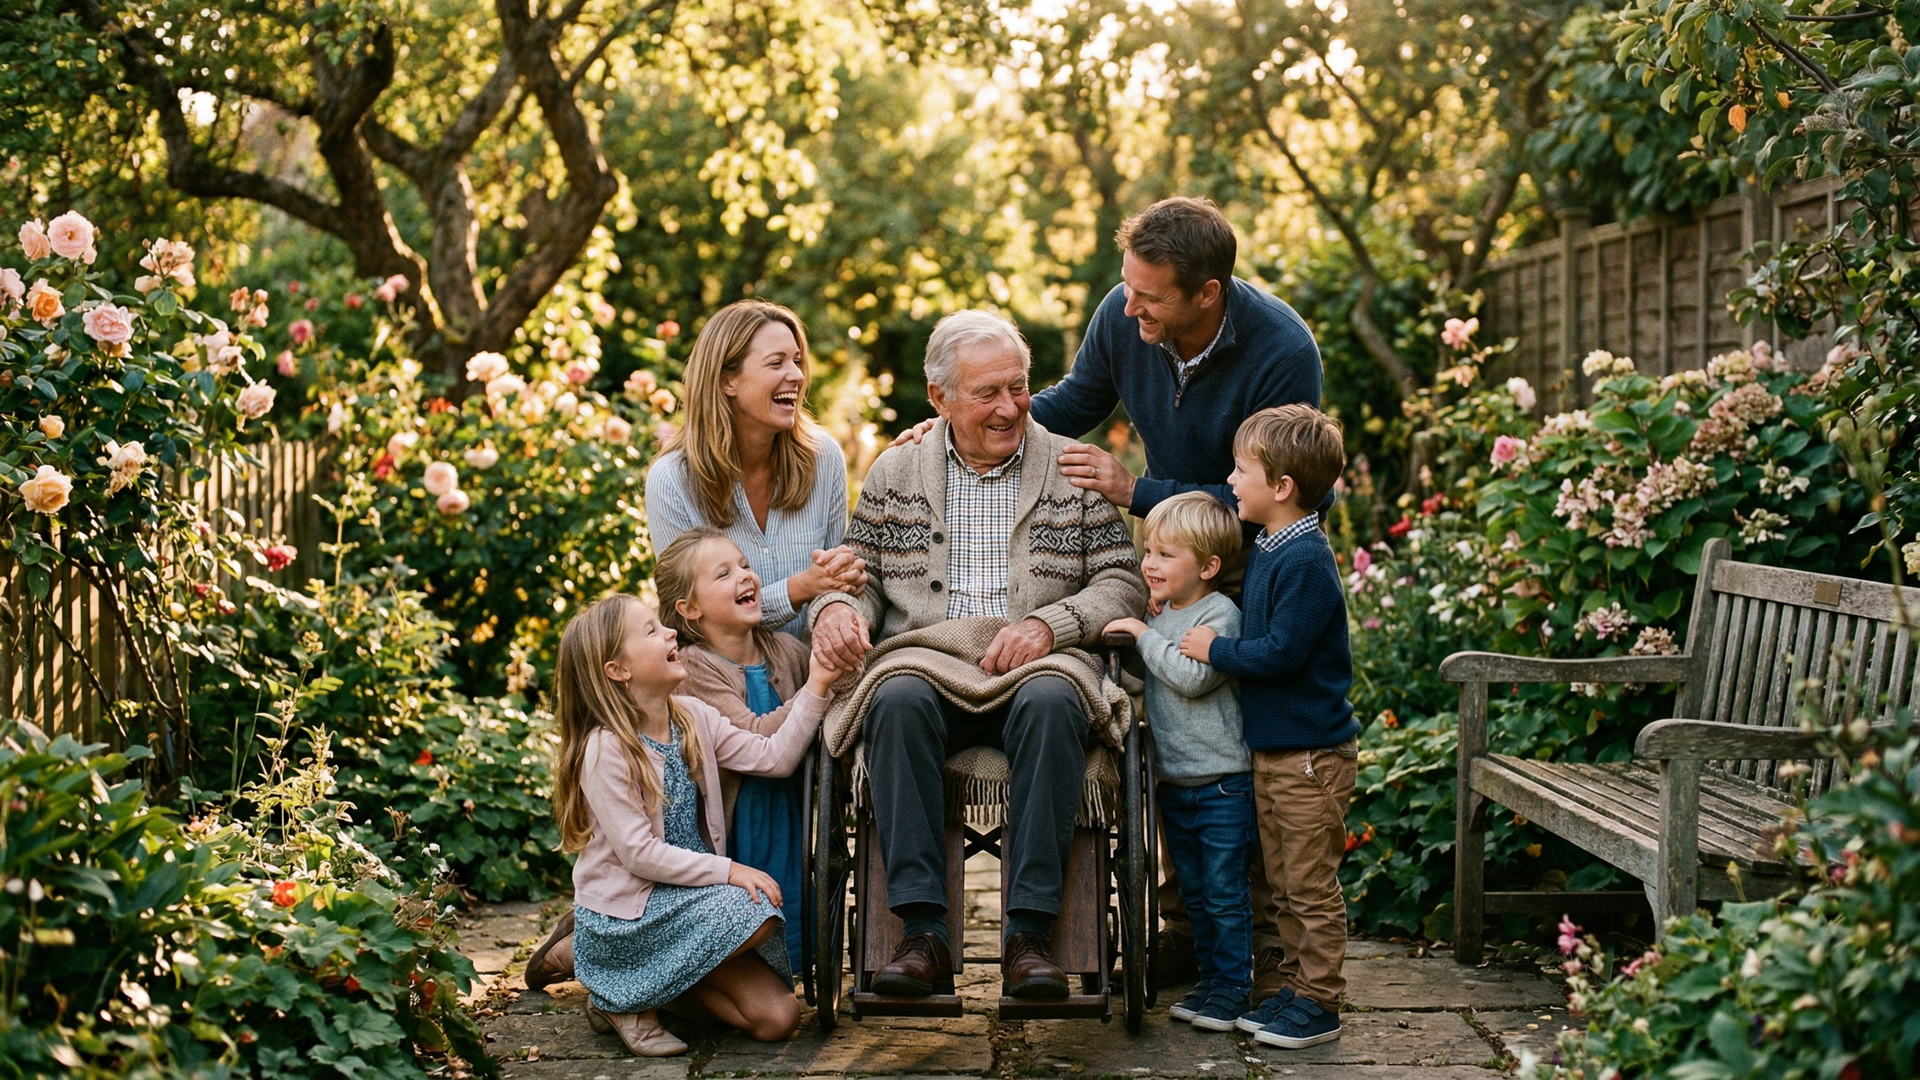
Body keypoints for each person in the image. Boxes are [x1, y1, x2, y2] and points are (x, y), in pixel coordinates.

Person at [891, 197, 1323, 988]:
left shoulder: (1282, 351)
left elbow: (1281, 495)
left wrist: (1140, 491)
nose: (1129, 307)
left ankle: (1266, 944)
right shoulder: (1125, 318)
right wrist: (967, 418)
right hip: (1178, 566)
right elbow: (1065, 407)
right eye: (1127, 286)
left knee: (1247, 742)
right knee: (1183, 737)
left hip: (1258, 568)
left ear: (1207, 293)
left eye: (1149, 296)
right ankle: (1189, 926)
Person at [809, 309, 1147, 999]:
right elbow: (861, 573)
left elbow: (1123, 580)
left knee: (1055, 699)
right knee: (894, 697)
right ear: (940, 399)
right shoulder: (896, 470)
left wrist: (1053, 624)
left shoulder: (1070, 469)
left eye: (1018, 388)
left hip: (1037, 669)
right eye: (987, 393)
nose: (1009, 407)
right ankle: (923, 934)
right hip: (930, 662)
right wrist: (840, 610)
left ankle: (1029, 937)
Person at [547, 593, 841, 1054]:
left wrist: (818, 684)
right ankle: (614, 983)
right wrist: (730, 871)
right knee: (754, 912)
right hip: (634, 914)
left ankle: (625, 988)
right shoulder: (607, 749)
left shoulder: (694, 719)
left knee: (778, 1019)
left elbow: (774, 757)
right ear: (617, 670)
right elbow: (640, 855)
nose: (670, 633)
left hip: (687, 908)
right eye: (650, 631)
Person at [1180, 405, 1359, 1050]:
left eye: (1241, 469)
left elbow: (1282, 651)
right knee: (1279, 882)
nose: (1230, 479)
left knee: (1308, 884)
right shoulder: (1269, 545)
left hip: (1311, 756)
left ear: (1281, 487)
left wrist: (1215, 651)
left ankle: (1321, 1001)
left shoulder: (1305, 559)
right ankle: (1292, 987)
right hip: (1278, 753)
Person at [1101, 492, 1250, 1033]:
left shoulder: (1218, 616)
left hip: (1222, 783)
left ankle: (1233, 988)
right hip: (1175, 783)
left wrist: (1142, 635)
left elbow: (1191, 678)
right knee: (1192, 892)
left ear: (1208, 567)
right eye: (1148, 552)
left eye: (1165, 555)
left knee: (1223, 891)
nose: (1149, 564)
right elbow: (1152, 680)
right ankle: (1210, 983)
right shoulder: (1163, 618)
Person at [645, 299, 867, 637]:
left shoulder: (823, 456)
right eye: (776, 363)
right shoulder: (673, 479)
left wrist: (839, 597)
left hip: (817, 670)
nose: (796, 375)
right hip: (723, 680)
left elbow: (839, 584)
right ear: (727, 381)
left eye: (796, 361)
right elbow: (693, 619)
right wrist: (797, 589)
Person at [655, 526, 814, 973]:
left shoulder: (786, 650)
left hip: (788, 816)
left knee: (790, 911)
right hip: (735, 820)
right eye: (723, 574)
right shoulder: (693, 667)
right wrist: (821, 685)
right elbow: (759, 738)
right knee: (747, 917)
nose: (745, 576)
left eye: (744, 565)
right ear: (690, 609)